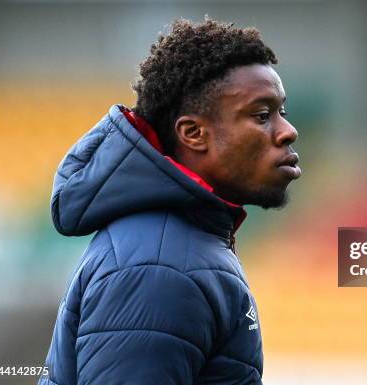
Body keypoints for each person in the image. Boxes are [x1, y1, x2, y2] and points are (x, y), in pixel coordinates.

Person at [39, 18, 300, 385]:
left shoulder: (183, 244)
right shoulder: (160, 267)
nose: (288, 131)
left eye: (281, 113)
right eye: (261, 115)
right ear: (194, 134)